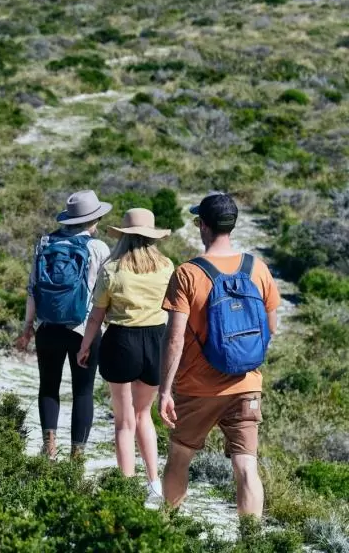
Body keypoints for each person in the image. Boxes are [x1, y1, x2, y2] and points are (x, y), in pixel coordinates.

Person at [159, 193, 280, 520]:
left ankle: (166, 528)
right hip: (245, 384)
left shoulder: (187, 273)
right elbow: (270, 325)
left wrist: (165, 390)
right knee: (246, 466)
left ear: (203, 226)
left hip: (196, 388)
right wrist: (244, 358)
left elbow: (174, 339)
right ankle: (250, 541)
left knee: (180, 456)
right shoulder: (257, 268)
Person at [77, 208, 174, 499]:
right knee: (143, 414)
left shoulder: (112, 269)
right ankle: (154, 482)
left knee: (124, 420)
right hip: (156, 340)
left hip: (121, 341)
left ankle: (126, 487)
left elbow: (96, 317)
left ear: (124, 236)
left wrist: (85, 347)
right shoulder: (167, 266)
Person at [15, 190, 112, 460]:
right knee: (83, 391)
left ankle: (49, 449)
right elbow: (104, 293)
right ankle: (77, 458)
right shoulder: (98, 248)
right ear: (93, 220)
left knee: (48, 386)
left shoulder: (45, 243)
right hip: (84, 330)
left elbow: (32, 288)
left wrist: (28, 328)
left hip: (48, 328)